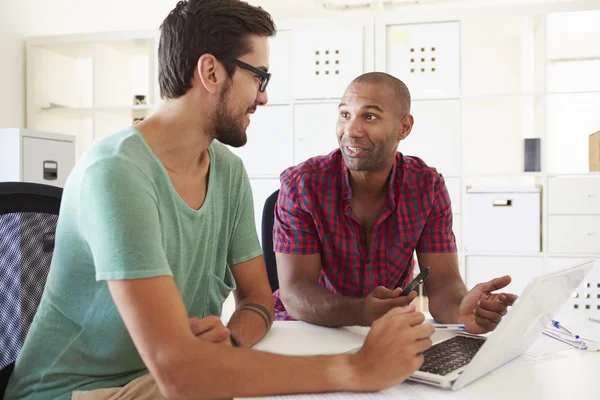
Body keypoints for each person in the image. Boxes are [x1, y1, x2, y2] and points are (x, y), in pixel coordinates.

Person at [6, 2, 435, 399]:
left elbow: (258, 300)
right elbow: (182, 373)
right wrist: (355, 367)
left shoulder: (226, 170)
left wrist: (229, 342)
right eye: (258, 77)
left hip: (168, 377)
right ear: (211, 72)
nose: (263, 96)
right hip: (79, 392)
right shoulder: (116, 172)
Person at [273, 72, 518, 332]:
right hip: (307, 329)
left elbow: (444, 283)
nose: (351, 131)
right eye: (345, 114)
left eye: (369, 117)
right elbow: (296, 292)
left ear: (404, 127)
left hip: (386, 329)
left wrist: (462, 310)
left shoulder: (427, 186)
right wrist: (361, 311)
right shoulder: (301, 185)